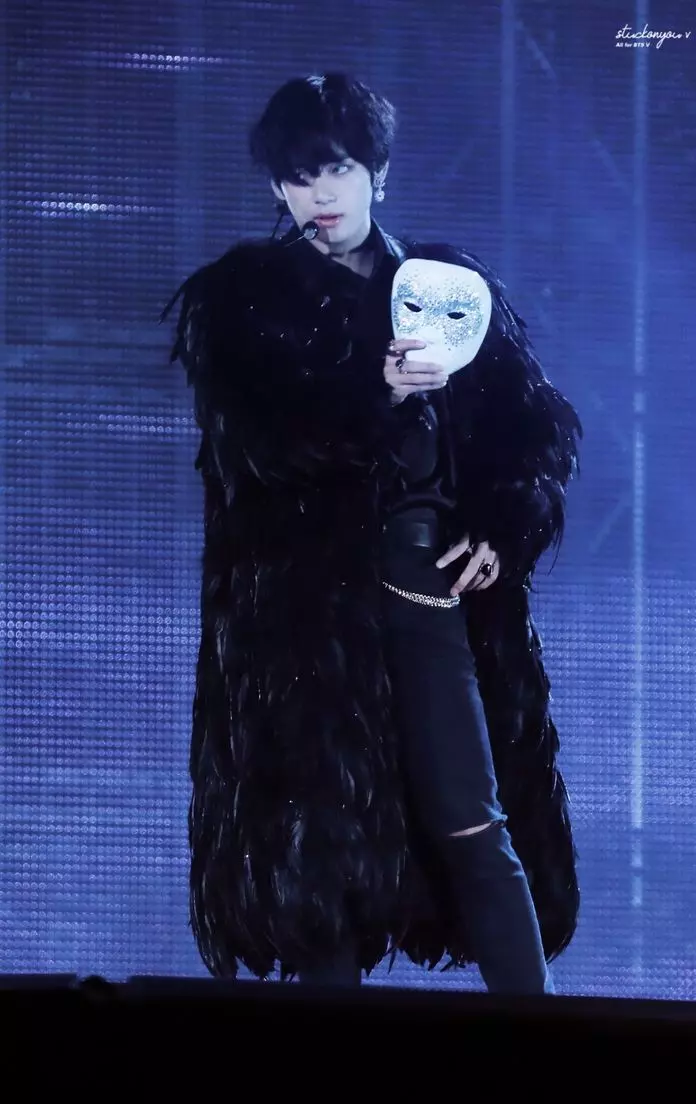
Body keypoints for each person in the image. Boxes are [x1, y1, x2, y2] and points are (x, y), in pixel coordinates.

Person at [163, 73, 582, 993]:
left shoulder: (449, 290)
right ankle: (334, 1057)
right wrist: (374, 392)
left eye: (338, 169)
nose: (319, 193)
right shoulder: (245, 302)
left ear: (376, 172)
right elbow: (256, 447)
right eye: (298, 176)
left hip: (428, 582)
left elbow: (531, 434)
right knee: (321, 833)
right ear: (277, 186)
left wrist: (501, 529)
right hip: (304, 609)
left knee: (473, 816)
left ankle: (546, 1045)